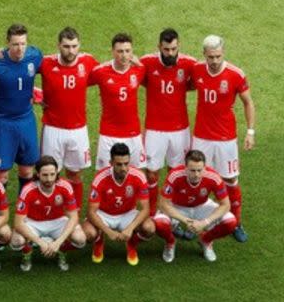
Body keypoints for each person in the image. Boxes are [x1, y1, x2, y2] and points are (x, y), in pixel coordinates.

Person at [191, 35, 255, 242]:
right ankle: (196, 221)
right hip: (201, 137)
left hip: (226, 138)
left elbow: (248, 103)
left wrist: (250, 131)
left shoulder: (235, 75)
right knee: (198, 178)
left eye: (218, 56)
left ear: (223, 53)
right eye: (211, 57)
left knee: (230, 180)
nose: (215, 61)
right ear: (204, 55)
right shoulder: (197, 70)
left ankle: (236, 222)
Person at [39, 27, 99, 211]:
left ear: (79, 45)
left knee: (75, 175)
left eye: (74, 46)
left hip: (78, 129)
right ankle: (52, 213)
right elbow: (21, 73)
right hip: (53, 129)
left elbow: (108, 73)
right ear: (58, 46)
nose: (70, 51)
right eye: (66, 46)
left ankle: (74, 214)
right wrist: (36, 95)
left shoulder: (88, 62)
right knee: (51, 175)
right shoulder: (45, 63)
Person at [140, 28, 197, 218]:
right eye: (166, 49)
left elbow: (197, 82)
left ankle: (173, 211)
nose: (170, 53)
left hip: (180, 130)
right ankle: (152, 212)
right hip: (154, 130)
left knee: (177, 173)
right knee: (151, 173)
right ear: (159, 47)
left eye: (173, 49)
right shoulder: (147, 62)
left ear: (178, 46)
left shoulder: (189, 64)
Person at [0, 24, 43, 193]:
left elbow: (49, 70)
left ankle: (25, 211)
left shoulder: (35, 55)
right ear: (7, 43)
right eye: (15, 44)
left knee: (27, 170)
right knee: (1, 175)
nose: (20, 48)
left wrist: (39, 95)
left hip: (26, 121)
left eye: (23, 43)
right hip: (3, 123)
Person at [153, 150, 237, 262]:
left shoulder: (213, 177)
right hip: (177, 206)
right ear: (185, 168)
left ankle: (206, 241)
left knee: (230, 222)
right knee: (159, 223)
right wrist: (186, 221)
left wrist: (205, 222)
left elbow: (226, 205)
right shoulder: (174, 175)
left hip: (202, 206)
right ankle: (170, 243)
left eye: (199, 170)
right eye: (192, 170)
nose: (196, 174)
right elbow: (163, 204)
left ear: (205, 168)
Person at [11, 156, 86, 272]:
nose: (49, 179)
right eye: (45, 175)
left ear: (57, 173)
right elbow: (18, 223)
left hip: (57, 221)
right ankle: (27, 252)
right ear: (38, 174)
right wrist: (41, 243)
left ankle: (61, 249)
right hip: (34, 222)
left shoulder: (65, 186)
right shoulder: (28, 190)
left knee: (80, 239)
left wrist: (58, 242)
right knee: (16, 241)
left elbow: (74, 216)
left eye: (52, 174)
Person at [82, 143, 154, 266]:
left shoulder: (139, 176)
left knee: (149, 228)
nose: (123, 168)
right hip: (104, 214)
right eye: (119, 164)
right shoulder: (100, 178)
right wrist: (108, 231)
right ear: (111, 163)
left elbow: (145, 209)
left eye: (126, 163)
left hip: (127, 214)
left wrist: (130, 229)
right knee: (88, 234)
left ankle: (131, 243)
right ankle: (99, 240)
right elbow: (91, 212)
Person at [88, 33, 147, 171]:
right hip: (109, 133)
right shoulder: (101, 72)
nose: (124, 55)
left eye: (127, 51)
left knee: (135, 173)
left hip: (133, 132)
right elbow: (79, 83)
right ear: (113, 52)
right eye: (120, 51)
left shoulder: (139, 69)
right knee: (104, 174)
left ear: (132, 52)